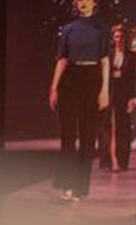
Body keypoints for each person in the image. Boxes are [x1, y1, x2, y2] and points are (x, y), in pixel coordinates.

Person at [49, 0, 111, 203]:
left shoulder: (101, 28)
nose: (82, 2)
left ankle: (79, 188)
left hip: (92, 79)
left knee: (87, 136)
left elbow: (105, 61)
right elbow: (62, 59)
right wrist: (53, 88)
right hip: (70, 79)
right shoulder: (69, 28)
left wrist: (104, 90)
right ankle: (66, 185)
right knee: (67, 135)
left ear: (94, 3)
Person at [100, 23, 136, 172]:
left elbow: (133, 78)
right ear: (113, 38)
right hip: (109, 91)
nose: (119, 39)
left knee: (123, 126)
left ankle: (121, 161)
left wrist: (132, 97)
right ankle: (108, 161)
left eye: (121, 37)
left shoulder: (131, 55)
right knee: (107, 126)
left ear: (125, 38)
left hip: (123, 92)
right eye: (116, 36)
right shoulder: (107, 54)